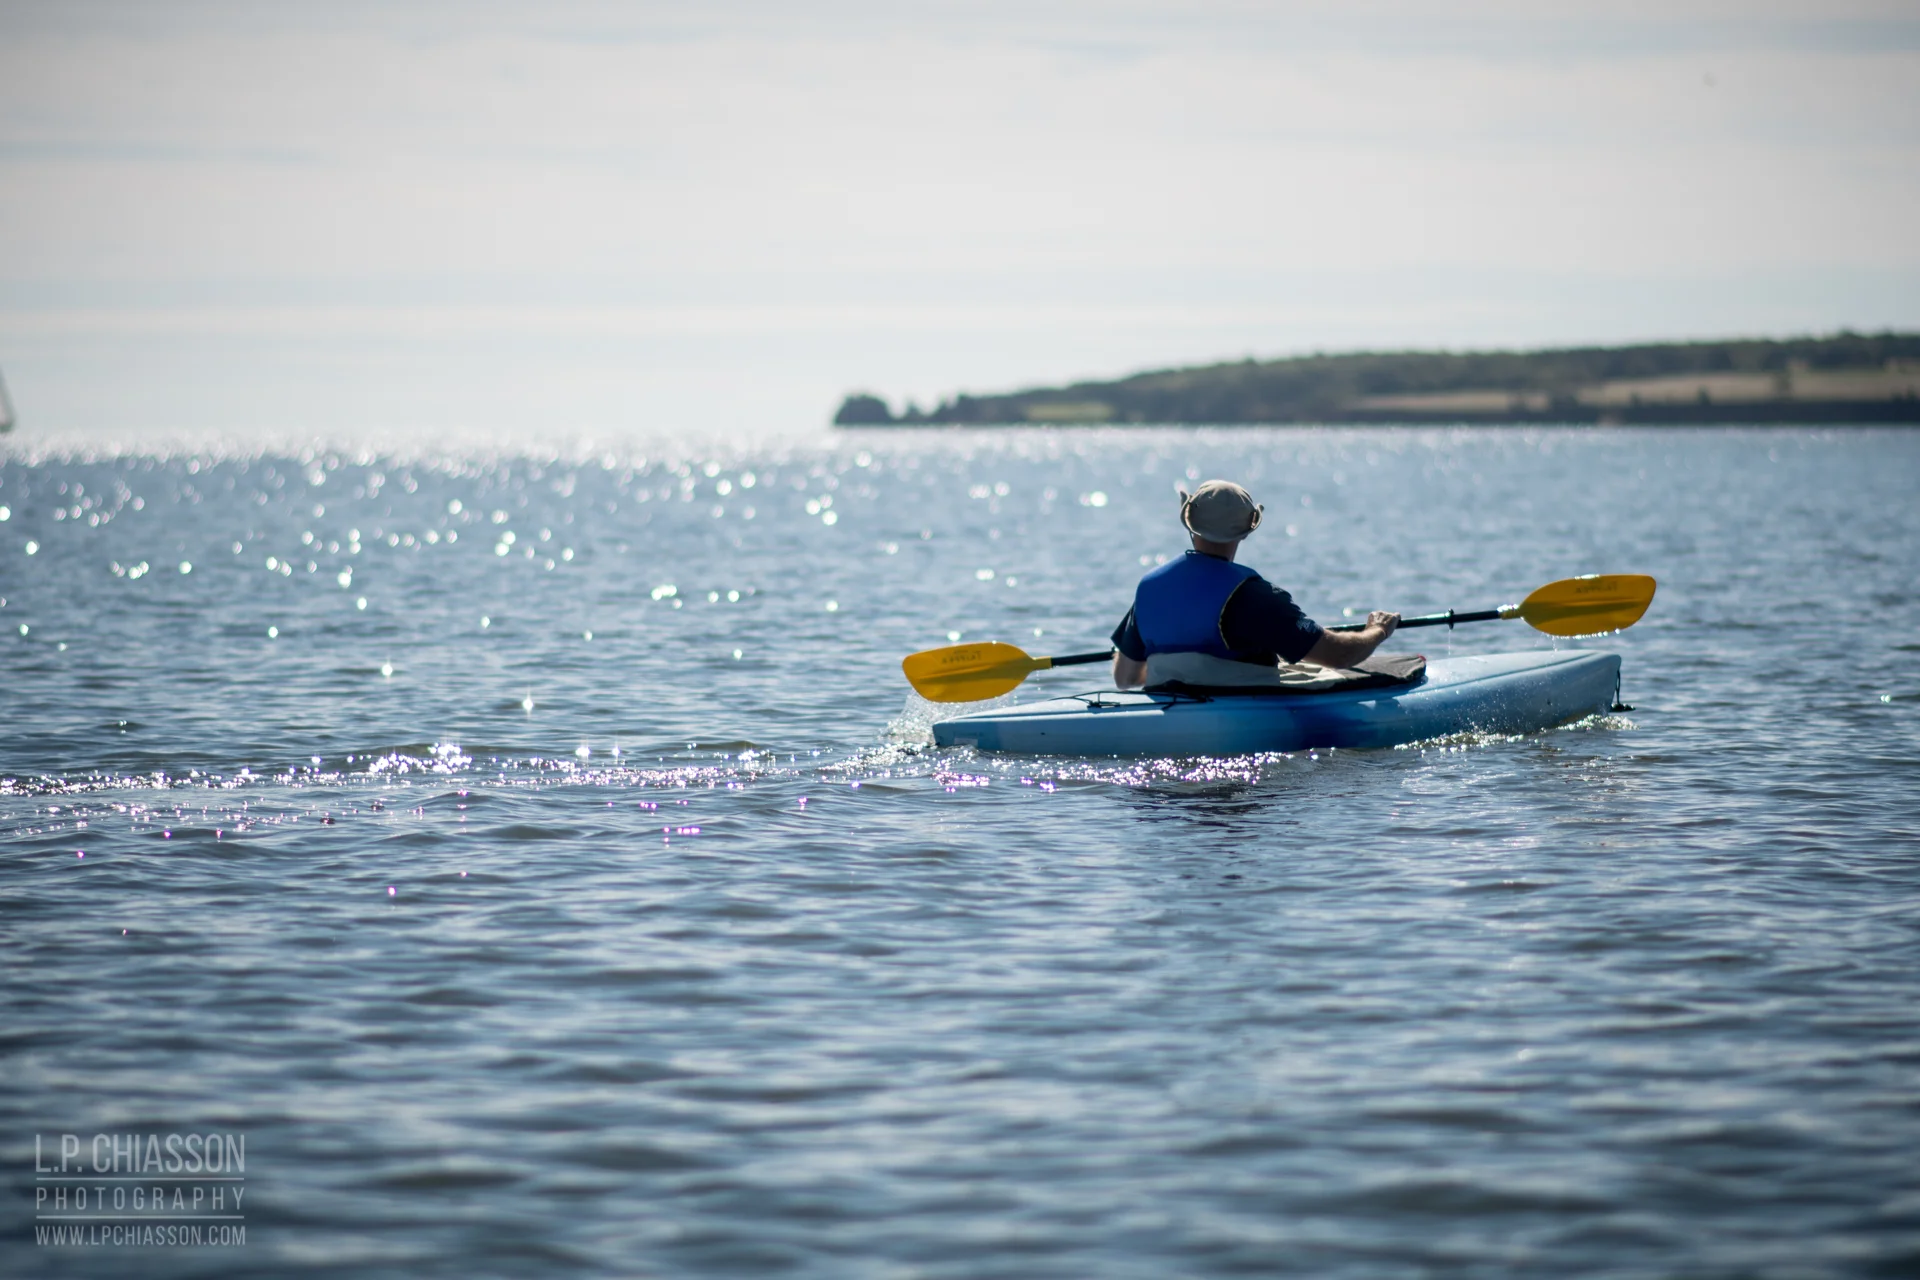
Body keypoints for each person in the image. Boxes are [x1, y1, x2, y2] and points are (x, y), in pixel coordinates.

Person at [1110, 480, 1399, 689]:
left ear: (1189, 524)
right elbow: (1338, 655)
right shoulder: (1257, 597)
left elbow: (1125, 679)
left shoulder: (1148, 589)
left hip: (1171, 718)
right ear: (1247, 531)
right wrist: (1377, 630)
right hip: (1239, 718)